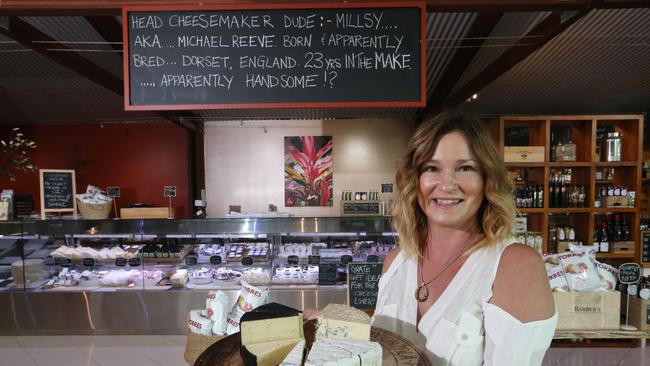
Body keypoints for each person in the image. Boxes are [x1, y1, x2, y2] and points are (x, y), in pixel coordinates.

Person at [373, 111, 557, 365]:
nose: (447, 184)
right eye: (432, 168)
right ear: (415, 180)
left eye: (465, 168)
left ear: (487, 179)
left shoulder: (515, 265)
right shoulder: (395, 263)